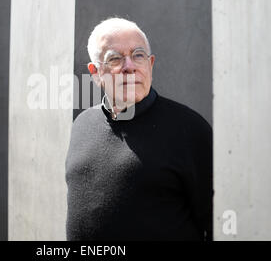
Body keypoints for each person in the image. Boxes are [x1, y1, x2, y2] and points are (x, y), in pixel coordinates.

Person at [65, 17, 213, 241]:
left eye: (138, 55)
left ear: (150, 64)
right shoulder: (82, 125)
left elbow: (217, 223)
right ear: (96, 73)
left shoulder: (190, 130)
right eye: (115, 59)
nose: (130, 67)